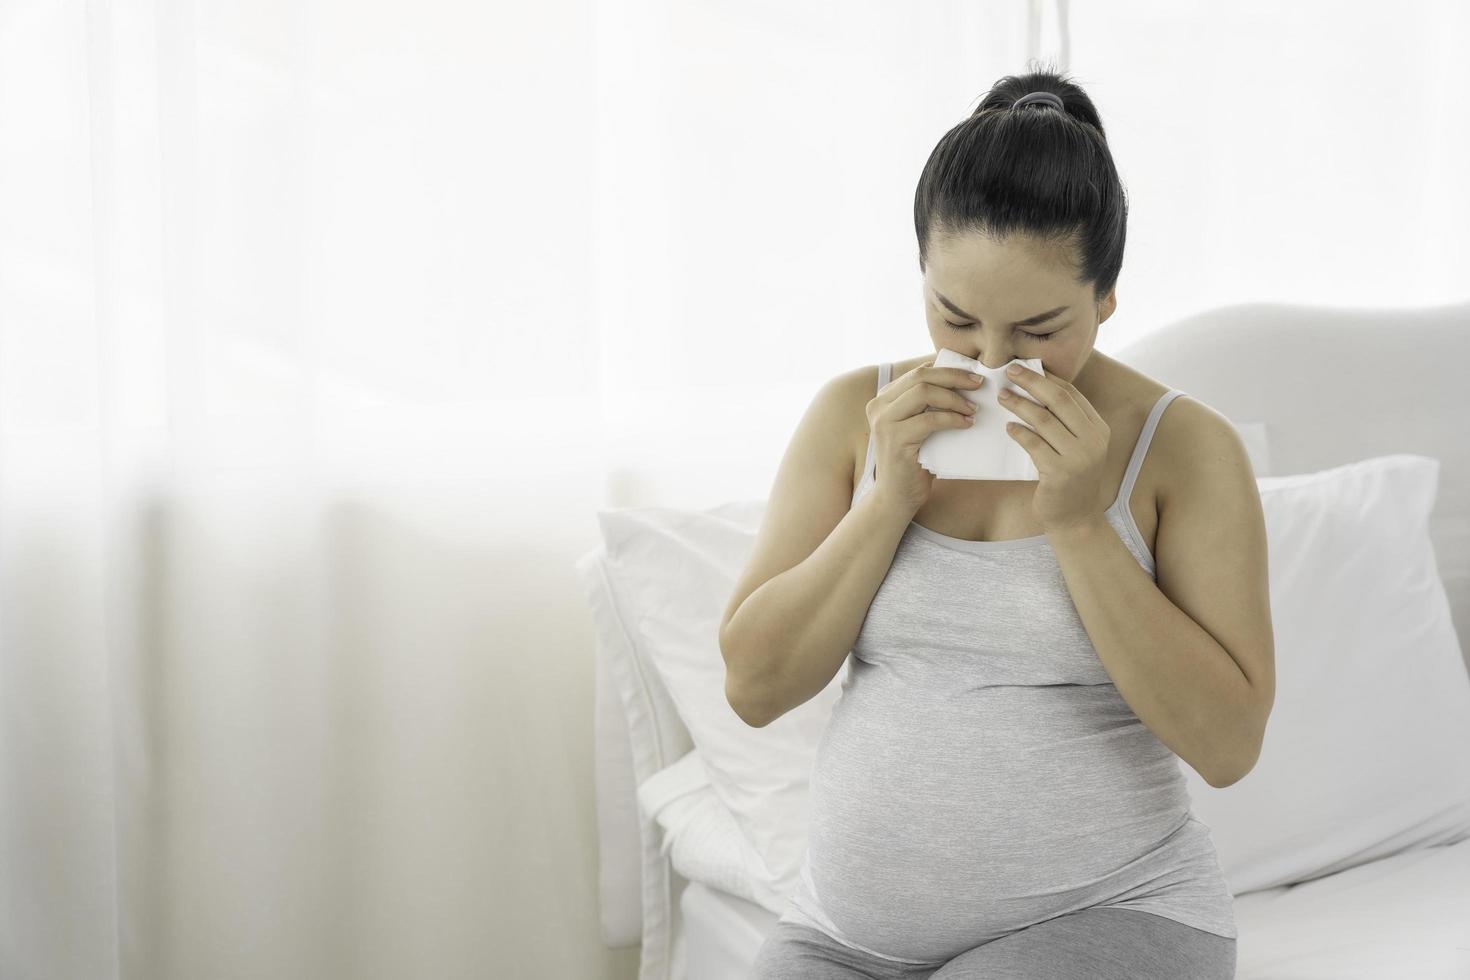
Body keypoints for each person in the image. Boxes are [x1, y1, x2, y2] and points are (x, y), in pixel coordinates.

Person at [721, 64, 1272, 979]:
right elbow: (755, 685)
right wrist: (886, 502)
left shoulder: (1186, 449)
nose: (991, 362)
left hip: (1117, 911)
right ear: (923, 278)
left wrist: (1084, 525)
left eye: (1040, 328)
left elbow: (1228, 746)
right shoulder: (851, 418)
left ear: (1106, 300)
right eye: (956, 318)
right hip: (841, 937)